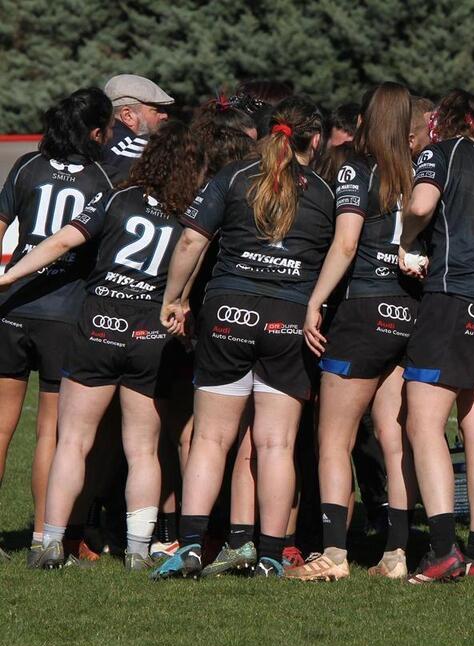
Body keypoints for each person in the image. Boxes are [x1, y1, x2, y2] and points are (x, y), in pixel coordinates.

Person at [0, 121, 202, 570]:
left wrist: (12, 274)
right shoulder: (194, 214)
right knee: (143, 449)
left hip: (97, 326)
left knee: (72, 440)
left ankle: (49, 546)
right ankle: (136, 551)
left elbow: (64, 240)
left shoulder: (115, 197)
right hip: (150, 333)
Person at [153, 96, 334, 579]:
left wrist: (175, 298)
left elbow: (192, 240)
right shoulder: (323, 190)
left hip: (229, 313)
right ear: (313, 141)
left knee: (211, 439)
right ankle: (272, 555)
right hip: (289, 320)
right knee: (276, 445)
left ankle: (190, 548)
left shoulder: (233, 177)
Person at [289, 82, 420, 581]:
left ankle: (335, 555)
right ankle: (397, 554)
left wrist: (315, 302)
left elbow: (345, 244)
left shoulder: (356, 169)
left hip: (364, 310)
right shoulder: (420, 172)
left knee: (334, 440)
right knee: (394, 437)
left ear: (364, 121)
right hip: (408, 312)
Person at [398, 89, 474, 583]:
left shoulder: (441, 152)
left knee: (423, 422)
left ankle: (444, 548)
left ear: (441, 123)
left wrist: (407, 239)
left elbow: (423, 203)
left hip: (457, 293)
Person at [0, 88, 116, 565]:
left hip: (11, 307)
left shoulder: (26, 165)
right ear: (94, 132)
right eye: (107, 129)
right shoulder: (102, 180)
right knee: (50, 432)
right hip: (64, 315)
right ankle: (43, 541)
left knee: (1, 428)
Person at [102, 74, 173, 183]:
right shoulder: (143, 151)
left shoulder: (90, 141)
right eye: (156, 109)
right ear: (128, 115)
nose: (164, 115)